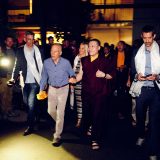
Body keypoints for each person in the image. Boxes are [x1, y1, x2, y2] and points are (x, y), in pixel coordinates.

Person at [72, 39, 116, 150]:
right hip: (86, 92)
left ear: (98, 48)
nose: (90, 48)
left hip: (99, 93)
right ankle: (89, 129)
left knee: (97, 115)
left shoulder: (105, 61)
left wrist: (104, 74)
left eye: (93, 46)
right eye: (89, 46)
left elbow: (112, 75)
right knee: (87, 114)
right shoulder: (84, 60)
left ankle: (95, 139)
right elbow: (80, 75)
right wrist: (73, 80)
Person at [37, 43, 75, 147]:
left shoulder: (66, 63)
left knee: (60, 112)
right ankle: (60, 122)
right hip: (52, 88)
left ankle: (57, 135)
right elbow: (44, 76)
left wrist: (72, 78)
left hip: (63, 88)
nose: (52, 53)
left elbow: (72, 73)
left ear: (60, 53)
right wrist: (41, 89)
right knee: (50, 110)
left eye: (55, 51)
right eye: (51, 51)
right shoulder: (46, 62)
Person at [132, 25, 160, 160]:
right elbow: (132, 70)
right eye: (145, 38)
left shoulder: (159, 51)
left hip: (156, 90)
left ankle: (153, 151)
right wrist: (137, 76)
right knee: (140, 117)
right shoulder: (137, 52)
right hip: (141, 89)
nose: (148, 41)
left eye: (150, 37)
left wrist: (157, 76)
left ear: (154, 36)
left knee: (155, 122)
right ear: (142, 37)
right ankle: (141, 135)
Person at [9, 31, 43, 136]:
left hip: (35, 82)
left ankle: (30, 126)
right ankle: (36, 115)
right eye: (28, 39)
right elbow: (17, 65)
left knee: (31, 103)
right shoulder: (20, 50)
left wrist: (44, 80)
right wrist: (13, 78)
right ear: (25, 39)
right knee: (27, 104)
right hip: (24, 82)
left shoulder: (37, 50)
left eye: (32, 39)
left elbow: (42, 66)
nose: (30, 41)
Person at [0, 35, 17, 118]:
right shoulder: (2, 50)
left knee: (10, 94)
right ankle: (4, 112)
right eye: (8, 41)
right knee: (3, 94)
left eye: (11, 41)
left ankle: (9, 110)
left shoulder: (13, 51)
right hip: (3, 75)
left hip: (11, 75)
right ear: (5, 41)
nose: (10, 42)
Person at [72, 42, 88, 128]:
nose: (80, 50)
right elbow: (74, 70)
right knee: (79, 102)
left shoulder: (88, 58)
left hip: (86, 83)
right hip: (77, 83)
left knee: (87, 103)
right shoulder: (77, 58)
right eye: (80, 48)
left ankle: (87, 122)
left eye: (83, 48)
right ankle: (79, 119)